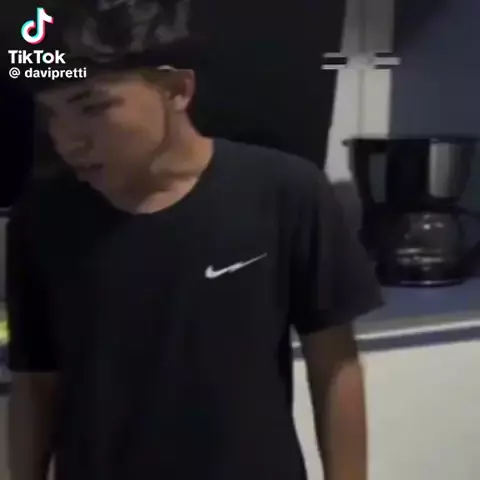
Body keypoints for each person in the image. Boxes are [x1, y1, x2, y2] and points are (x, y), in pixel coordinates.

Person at [6, 2, 382, 480]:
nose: (68, 140)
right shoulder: (44, 217)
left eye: (91, 106)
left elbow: (334, 363)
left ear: (177, 90)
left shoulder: (285, 192)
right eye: (51, 115)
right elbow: (35, 381)